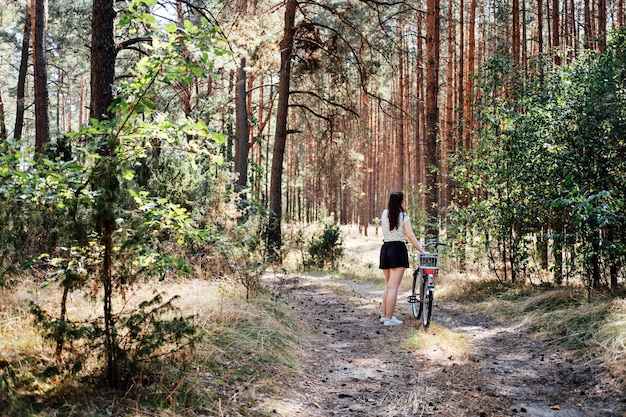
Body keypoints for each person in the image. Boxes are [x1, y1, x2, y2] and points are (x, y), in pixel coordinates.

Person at [379, 191, 425, 327]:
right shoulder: (404, 216)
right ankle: (389, 318)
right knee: (393, 287)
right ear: (402, 202)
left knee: (389, 285)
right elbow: (410, 236)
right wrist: (421, 250)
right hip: (397, 250)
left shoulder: (384, 214)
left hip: (385, 249)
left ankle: (384, 315)